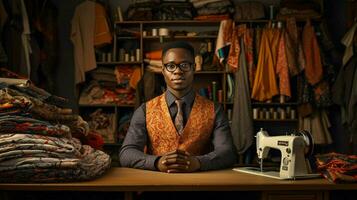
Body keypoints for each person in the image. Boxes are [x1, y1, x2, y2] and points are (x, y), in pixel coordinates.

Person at [119, 41, 237, 173]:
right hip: (156, 188)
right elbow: (126, 154)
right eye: (171, 66)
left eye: (184, 65)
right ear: (163, 71)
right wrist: (157, 162)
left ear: (194, 68)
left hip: (201, 186)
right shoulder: (144, 110)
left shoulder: (215, 110)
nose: (178, 71)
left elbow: (228, 152)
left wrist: (198, 162)